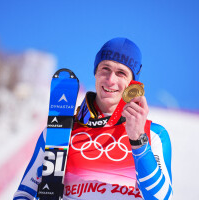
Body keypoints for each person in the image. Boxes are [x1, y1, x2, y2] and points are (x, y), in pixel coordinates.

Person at [14, 37, 173, 200]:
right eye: (105, 69)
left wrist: (138, 140)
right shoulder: (59, 132)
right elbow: (24, 193)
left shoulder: (153, 135)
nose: (111, 80)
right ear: (95, 73)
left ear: (133, 83)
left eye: (121, 73)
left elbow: (161, 197)